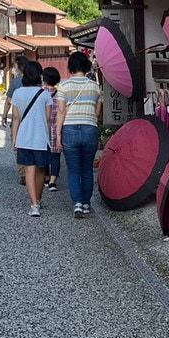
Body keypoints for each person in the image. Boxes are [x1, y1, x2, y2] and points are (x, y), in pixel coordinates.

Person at [54, 51, 103, 218]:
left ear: (71, 67)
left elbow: (61, 112)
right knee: (87, 169)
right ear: (87, 67)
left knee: (73, 170)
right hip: (90, 128)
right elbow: (97, 113)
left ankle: (77, 204)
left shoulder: (64, 86)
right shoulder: (95, 87)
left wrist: (58, 135)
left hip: (70, 130)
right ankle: (87, 203)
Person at [11, 61, 54, 217]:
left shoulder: (18, 93)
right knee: (41, 171)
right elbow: (49, 119)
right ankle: (38, 200)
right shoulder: (45, 94)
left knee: (29, 171)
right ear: (39, 75)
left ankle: (34, 204)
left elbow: (16, 118)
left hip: (23, 138)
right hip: (41, 138)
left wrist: (14, 139)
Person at [1, 54, 28, 185]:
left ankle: (23, 173)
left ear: (20, 67)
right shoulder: (35, 80)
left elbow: (8, 101)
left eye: (14, 66)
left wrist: (4, 115)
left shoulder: (16, 82)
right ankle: (37, 171)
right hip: (33, 119)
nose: (13, 68)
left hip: (19, 118)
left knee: (18, 145)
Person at [42, 66, 61, 192]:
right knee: (55, 156)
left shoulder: (40, 93)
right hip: (56, 129)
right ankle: (53, 181)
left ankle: (46, 177)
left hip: (43, 128)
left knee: (43, 154)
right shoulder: (60, 95)